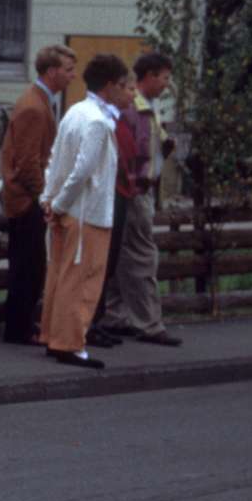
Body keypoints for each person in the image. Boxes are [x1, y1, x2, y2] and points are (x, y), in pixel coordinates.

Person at [37, 54, 132, 370]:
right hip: (87, 214)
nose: (126, 91)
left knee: (61, 277)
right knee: (83, 282)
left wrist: (50, 199)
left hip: (69, 211)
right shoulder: (97, 121)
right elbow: (81, 171)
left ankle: (53, 336)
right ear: (109, 86)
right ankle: (70, 343)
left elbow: (56, 160)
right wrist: (58, 203)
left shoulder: (75, 112)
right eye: (123, 85)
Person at [97, 52, 181, 347]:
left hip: (138, 190)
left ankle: (115, 315)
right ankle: (149, 323)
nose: (167, 84)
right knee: (143, 255)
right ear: (150, 76)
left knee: (122, 254)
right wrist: (135, 187)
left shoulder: (147, 108)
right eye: (165, 78)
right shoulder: (136, 109)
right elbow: (130, 153)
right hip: (136, 191)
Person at [1, 44, 77, 346]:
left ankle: (20, 327)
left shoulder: (40, 101)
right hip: (26, 201)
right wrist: (44, 198)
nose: (72, 76)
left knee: (30, 266)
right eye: (68, 70)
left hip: (28, 198)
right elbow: (28, 161)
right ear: (52, 71)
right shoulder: (34, 106)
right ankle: (18, 330)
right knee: (28, 268)